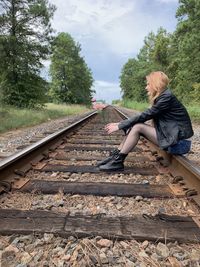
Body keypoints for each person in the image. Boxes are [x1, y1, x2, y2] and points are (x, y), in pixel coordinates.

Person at [98, 71, 194, 171]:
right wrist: (120, 124)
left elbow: (146, 115)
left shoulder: (166, 98)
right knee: (134, 125)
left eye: (148, 84)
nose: (146, 87)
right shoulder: (163, 96)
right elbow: (145, 116)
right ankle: (115, 157)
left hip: (179, 143)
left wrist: (120, 125)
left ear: (155, 84)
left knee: (138, 127)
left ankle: (118, 162)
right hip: (173, 138)